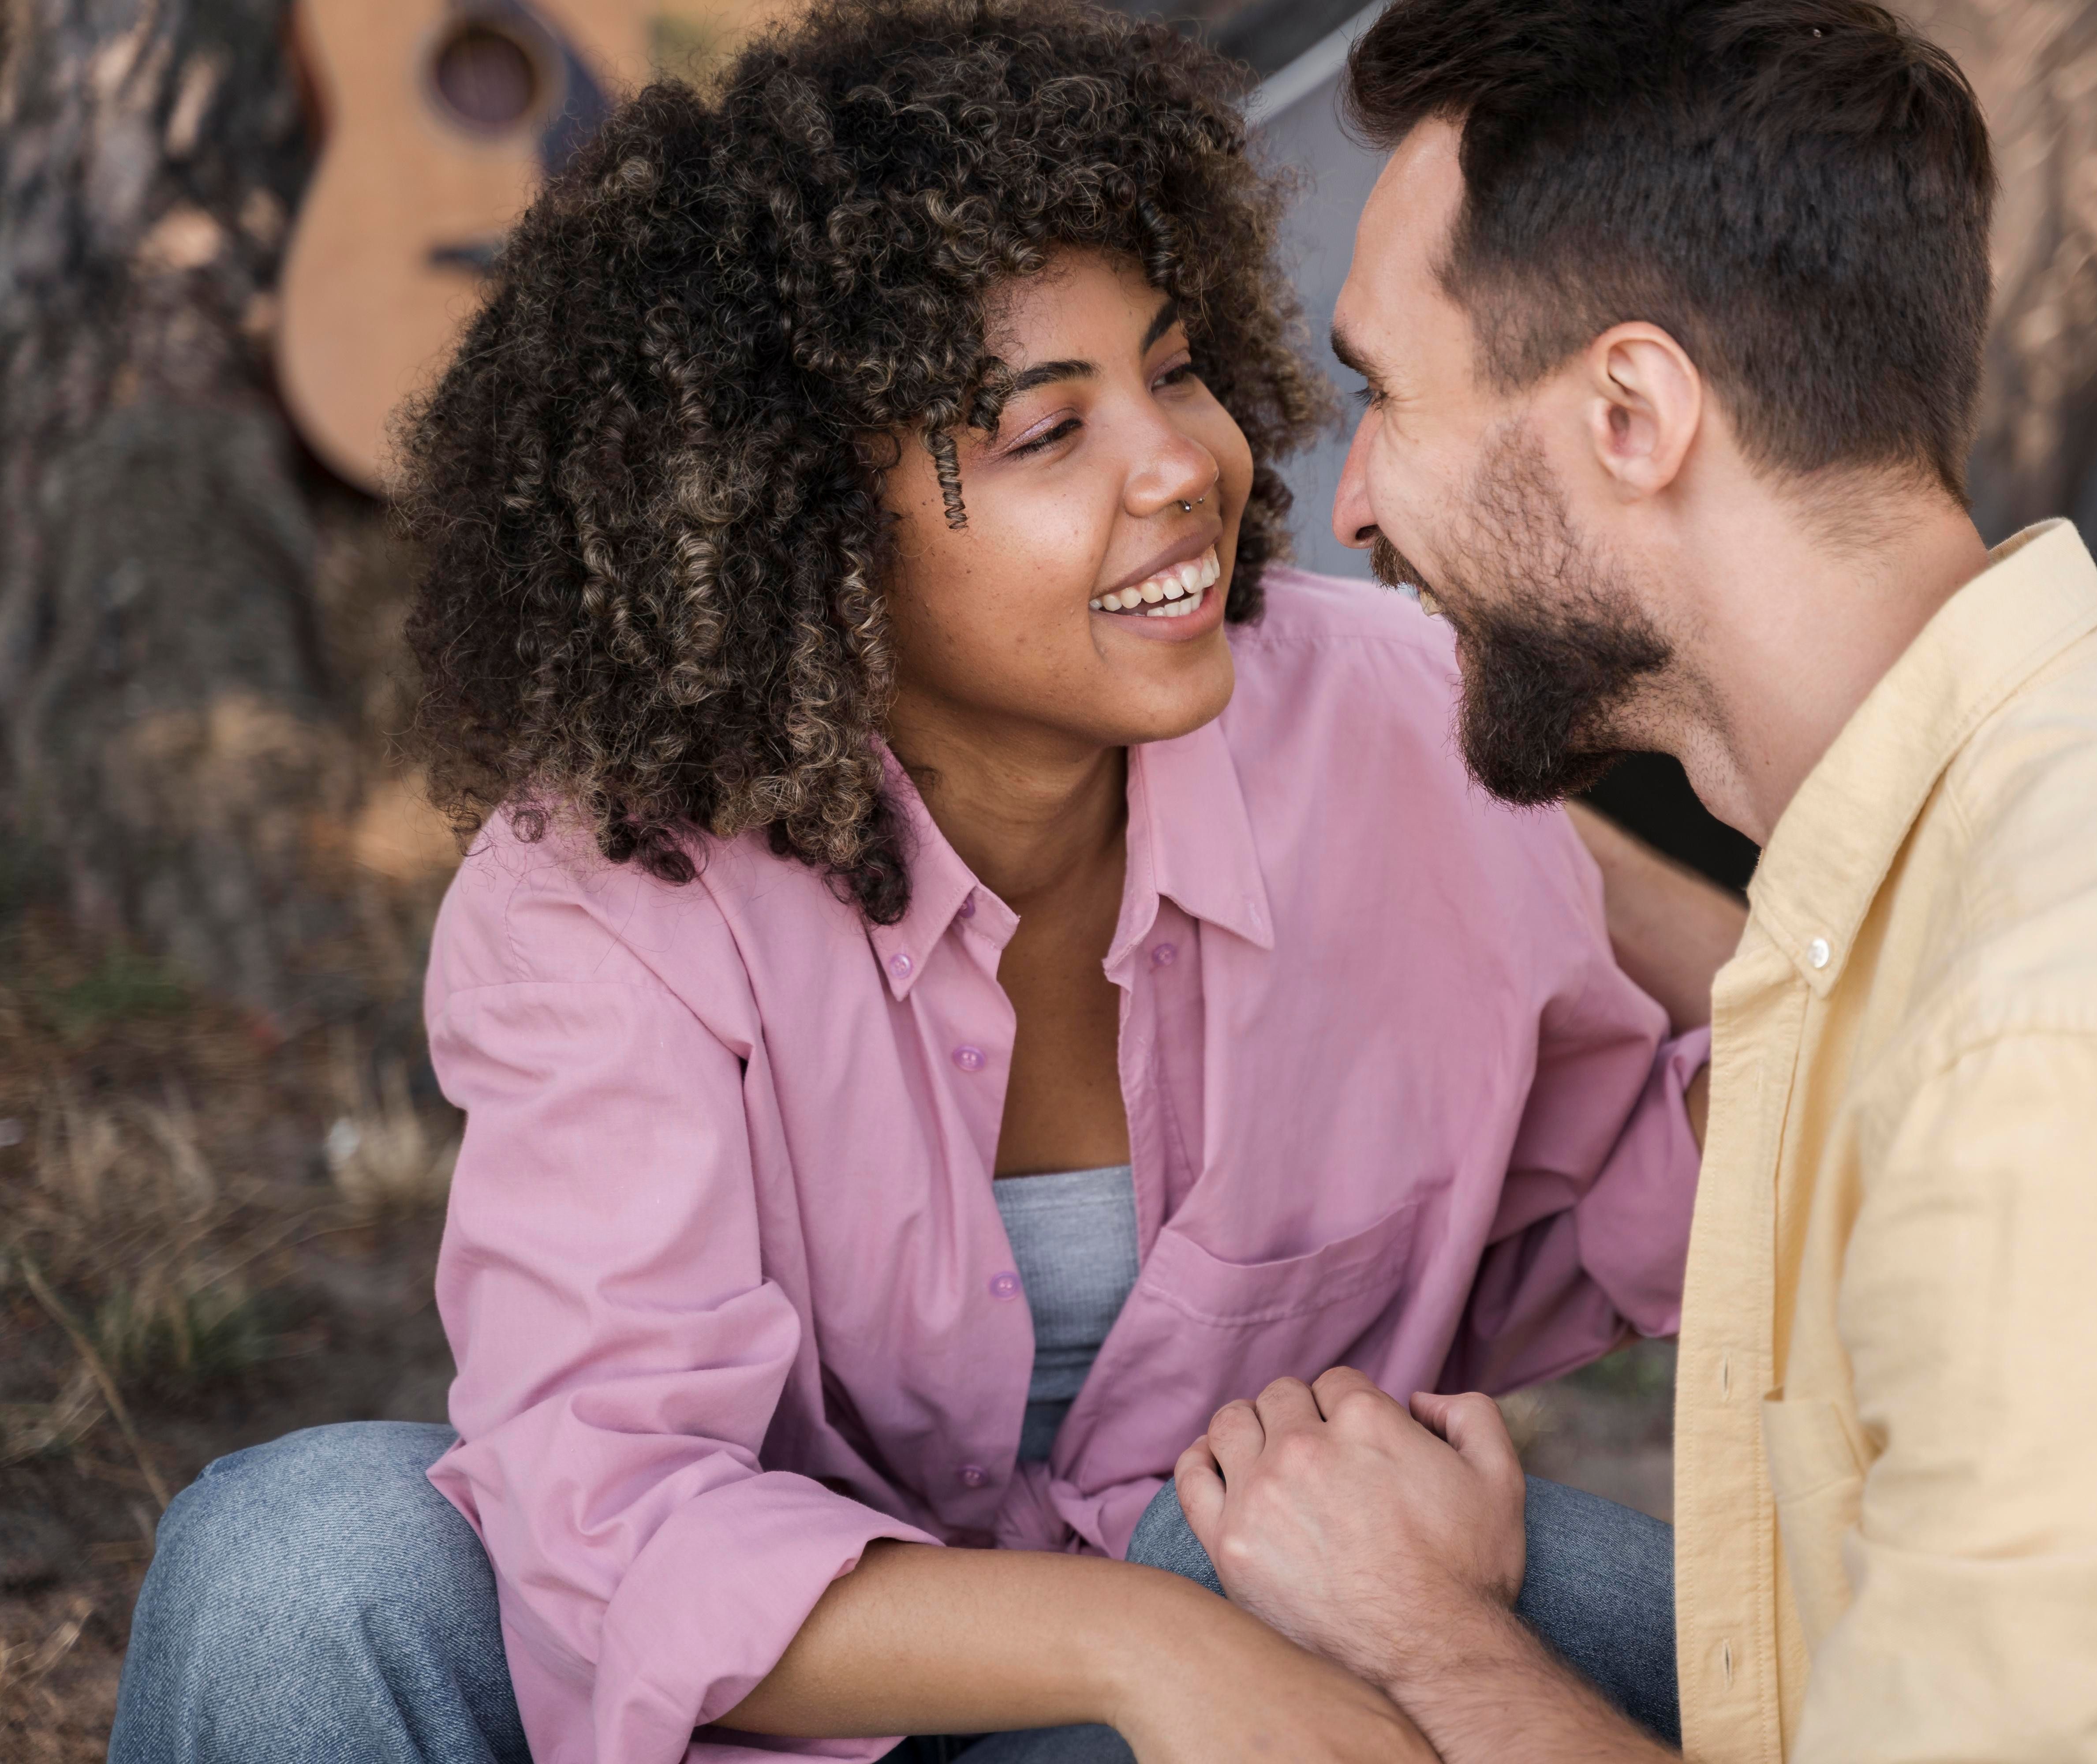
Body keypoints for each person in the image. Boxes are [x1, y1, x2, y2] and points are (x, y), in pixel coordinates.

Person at [106, 4, 1738, 1761]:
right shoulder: (614, 887)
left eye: (1176, 371)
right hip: (784, 1710)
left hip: (1239, 1644)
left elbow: (1725, 1151)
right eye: (1050, 433)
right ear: (808, 530)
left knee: (1642, 1627)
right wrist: (1150, 1651)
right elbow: (614, 1522)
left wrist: (1662, 880)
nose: (1183, 464)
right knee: (297, 1559)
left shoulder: (1382, 726)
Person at [1164, 1, 2097, 1761]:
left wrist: (1436, 1644)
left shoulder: (2074, 1050)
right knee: (1225, 1579)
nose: (1352, 505)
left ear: (1632, 412)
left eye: (1388, 397)